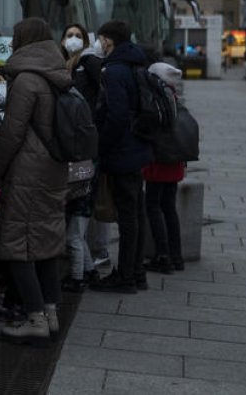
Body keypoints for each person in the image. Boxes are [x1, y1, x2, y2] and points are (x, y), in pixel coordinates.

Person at [0, 18, 70, 345]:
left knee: (17, 243)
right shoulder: (58, 73)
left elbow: (12, 133)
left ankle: (35, 317)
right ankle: (50, 315)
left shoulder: (26, 80)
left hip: (27, 172)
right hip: (53, 168)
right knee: (47, 243)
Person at [90, 20, 153, 294]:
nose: (100, 44)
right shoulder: (137, 63)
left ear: (108, 41)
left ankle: (125, 276)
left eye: (101, 39)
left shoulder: (114, 70)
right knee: (135, 214)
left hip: (122, 151)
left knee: (127, 217)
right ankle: (136, 271)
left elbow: (115, 115)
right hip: (138, 147)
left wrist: (101, 146)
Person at [59, 24, 100, 292]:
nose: (73, 40)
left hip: (82, 154)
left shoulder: (89, 64)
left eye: (78, 36)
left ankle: (77, 277)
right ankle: (88, 270)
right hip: (80, 154)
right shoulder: (65, 64)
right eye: (69, 35)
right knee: (77, 221)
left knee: (75, 225)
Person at [143, 62, 186, 274]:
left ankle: (162, 255)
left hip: (160, 161)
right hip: (174, 159)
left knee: (152, 205)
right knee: (168, 207)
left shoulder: (158, 96)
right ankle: (176, 256)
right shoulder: (175, 95)